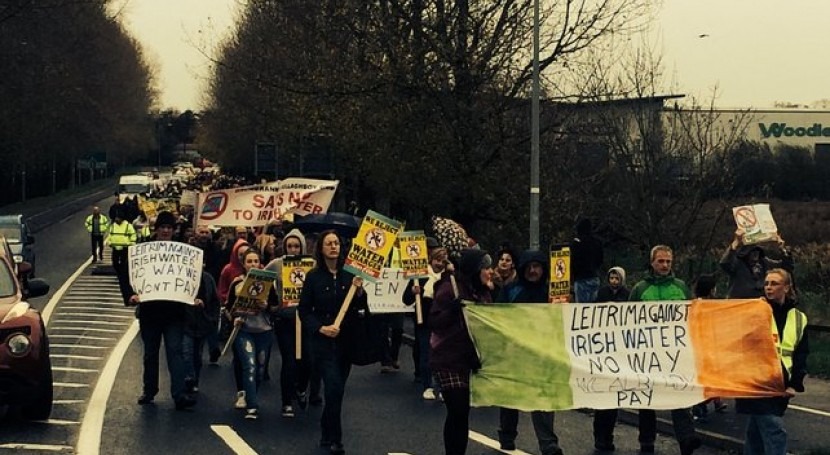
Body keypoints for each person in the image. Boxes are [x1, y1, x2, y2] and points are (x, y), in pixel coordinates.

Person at [619, 245, 701, 455]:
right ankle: (646, 442)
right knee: (647, 400)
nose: (665, 265)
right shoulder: (639, 289)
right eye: (661, 261)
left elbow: (693, 317)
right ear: (652, 262)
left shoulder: (681, 287)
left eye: (668, 262)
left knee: (680, 395)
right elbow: (628, 320)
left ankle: (687, 440)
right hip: (648, 353)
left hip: (676, 353)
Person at [298, 230, 368, 455]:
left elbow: (360, 307)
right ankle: (336, 439)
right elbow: (304, 310)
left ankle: (326, 430)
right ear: (321, 248)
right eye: (329, 244)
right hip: (322, 343)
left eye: (336, 243)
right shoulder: (314, 277)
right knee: (333, 387)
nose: (333, 247)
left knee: (337, 392)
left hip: (345, 342)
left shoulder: (350, 276)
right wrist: (320, 328)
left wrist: (359, 293)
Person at [495, 249, 563, 455]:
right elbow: (497, 316)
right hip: (515, 352)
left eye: (538, 267)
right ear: (523, 268)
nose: (533, 271)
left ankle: (548, 443)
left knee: (543, 397)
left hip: (542, 352)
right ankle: (507, 435)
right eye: (530, 267)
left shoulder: (552, 293)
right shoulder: (510, 290)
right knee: (510, 396)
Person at [127, 211, 196, 411]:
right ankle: (149, 390)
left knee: (175, 352)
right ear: (156, 229)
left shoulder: (183, 252)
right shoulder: (143, 251)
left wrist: (193, 296)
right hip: (150, 312)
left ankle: (179, 394)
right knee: (150, 354)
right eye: (162, 227)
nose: (166, 231)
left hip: (174, 313)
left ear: (174, 230)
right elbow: (132, 276)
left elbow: (191, 278)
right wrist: (132, 295)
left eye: (169, 227)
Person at [736, 268, 808, 455]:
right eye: (766, 283)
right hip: (756, 380)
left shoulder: (798, 318)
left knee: (756, 435)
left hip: (781, 383)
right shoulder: (755, 311)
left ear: (786, 288)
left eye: (774, 283)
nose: (768, 287)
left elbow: (801, 354)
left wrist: (795, 384)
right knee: (774, 429)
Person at [430, 248, 494, 455]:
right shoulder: (449, 289)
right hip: (448, 359)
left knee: (462, 414)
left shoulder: (484, 293)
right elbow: (434, 322)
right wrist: (451, 309)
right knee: (457, 409)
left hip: (470, 359)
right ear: (476, 270)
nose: (490, 272)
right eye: (486, 268)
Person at [264, 228, 313, 418]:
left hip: (305, 320)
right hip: (285, 320)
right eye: (289, 246)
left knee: (308, 361)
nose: (293, 249)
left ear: (301, 247)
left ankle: (301, 388)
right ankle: (286, 402)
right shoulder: (276, 264)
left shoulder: (311, 266)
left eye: (296, 246)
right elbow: (260, 280)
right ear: (284, 247)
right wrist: (270, 306)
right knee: (289, 361)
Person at [225, 249, 278, 420]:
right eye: (249, 261)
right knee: (250, 365)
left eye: (256, 261)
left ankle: (250, 393)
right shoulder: (237, 283)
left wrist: (267, 307)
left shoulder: (269, 283)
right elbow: (228, 307)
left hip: (264, 331)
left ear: (260, 263)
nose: (253, 264)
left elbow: (276, 307)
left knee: (260, 369)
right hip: (244, 330)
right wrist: (233, 318)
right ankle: (252, 405)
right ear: (244, 264)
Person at [403, 246, 450, 400]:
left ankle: (442, 386)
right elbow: (406, 299)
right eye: (437, 260)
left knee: (443, 354)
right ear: (431, 259)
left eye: (443, 260)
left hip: (443, 320)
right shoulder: (420, 276)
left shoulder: (449, 277)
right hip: (424, 320)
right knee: (426, 352)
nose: (440, 264)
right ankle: (427, 385)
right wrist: (413, 292)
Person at [690, 273, 728, 422]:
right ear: (711, 289)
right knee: (708, 377)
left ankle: (712, 402)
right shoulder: (705, 306)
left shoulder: (696, 304)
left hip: (707, 345)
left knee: (712, 376)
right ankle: (699, 405)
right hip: (705, 346)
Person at [720, 229, 793, 298]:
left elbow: (786, 268)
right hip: (740, 305)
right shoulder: (738, 264)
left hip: (761, 306)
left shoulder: (765, 263)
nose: (755, 255)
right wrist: (736, 242)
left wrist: (783, 249)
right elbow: (725, 263)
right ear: (746, 254)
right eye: (752, 252)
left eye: (757, 251)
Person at [183, 269, 221, 395]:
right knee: (186, 351)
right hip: (185, 320)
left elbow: (214, 300)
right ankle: (188, 378)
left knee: (196, 354)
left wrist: (211, 317)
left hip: (201, 322)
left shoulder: (207, 279)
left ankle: (194, 380)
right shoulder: (181, 275)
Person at [570, 218, 604, 302]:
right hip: (594, 276)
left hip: (581, 278)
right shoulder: (597, 242)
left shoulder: (577, 243)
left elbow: (573, 260)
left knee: (582, 309)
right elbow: (600, 259)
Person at [108, 209, 137, 305]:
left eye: (118, 218)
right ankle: (119, 273)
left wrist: (131, 244)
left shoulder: (128, 225)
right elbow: (110, 235)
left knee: (124, 265)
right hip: (116, 247)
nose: (116, 219)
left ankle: (122, 275)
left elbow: (133, 236)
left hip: (125, 248)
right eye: (115, 218)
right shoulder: (113, 226)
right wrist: (110, 242)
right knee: (115, 262)